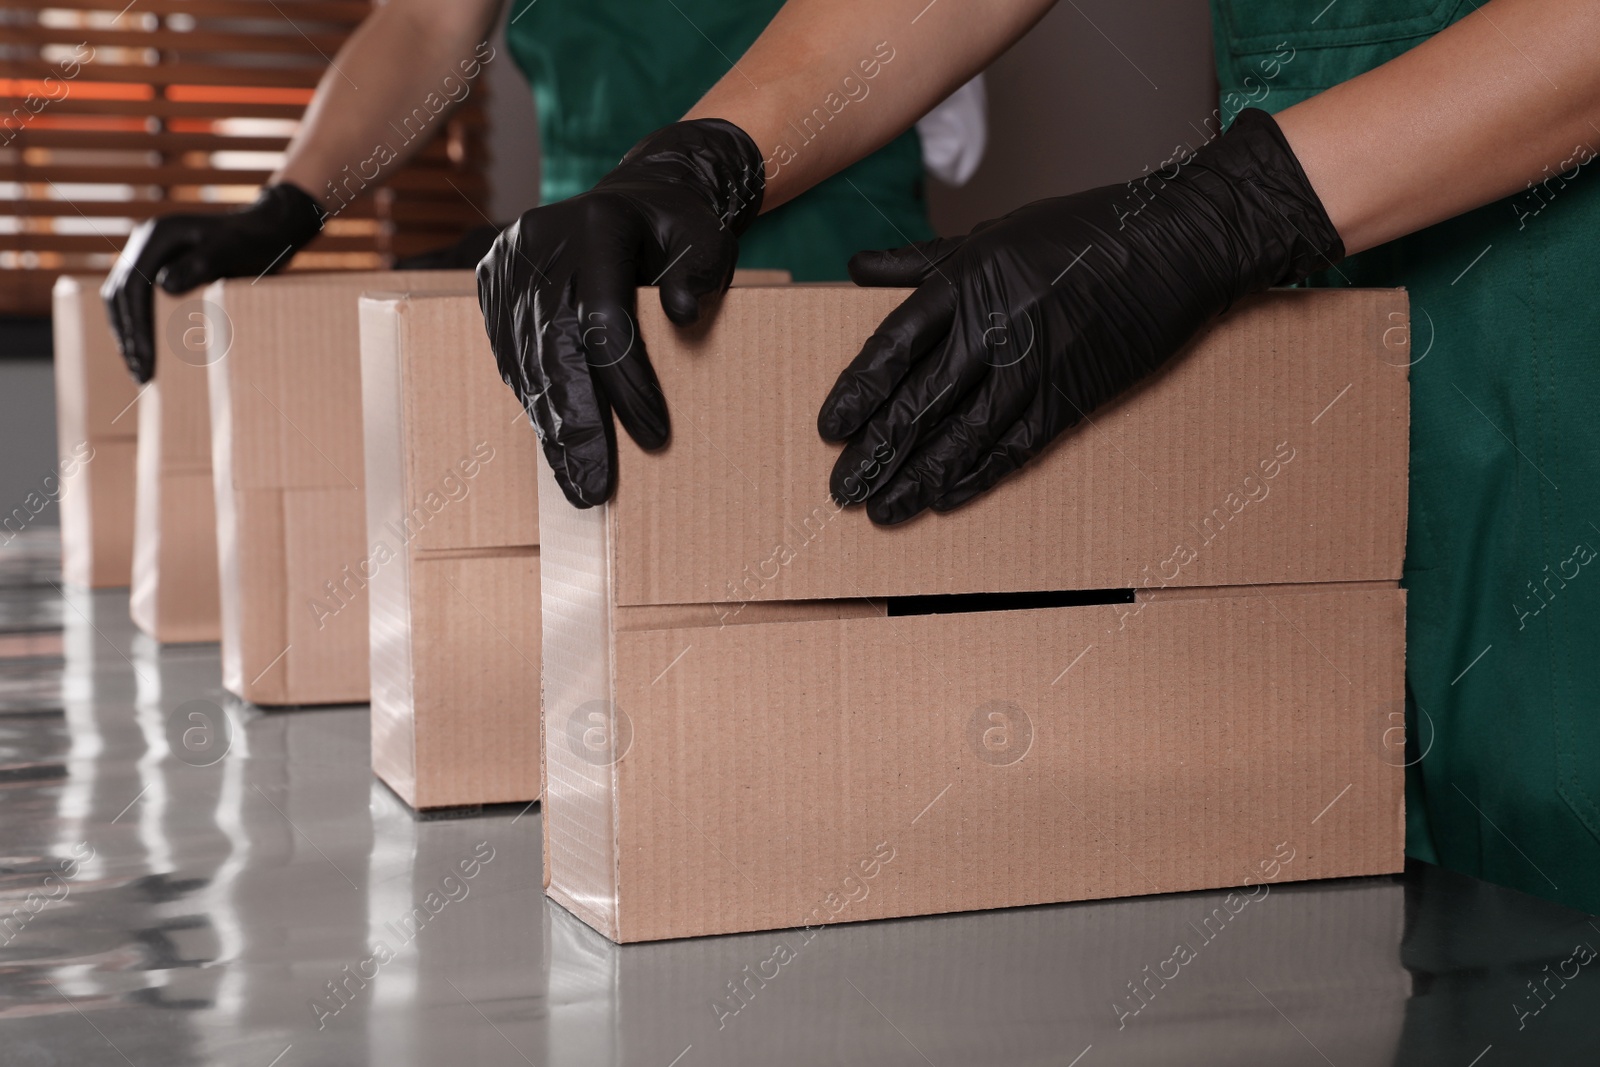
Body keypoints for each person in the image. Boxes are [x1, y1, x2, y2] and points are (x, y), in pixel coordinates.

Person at [478, 0, 1600, 915]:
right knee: (1352, 882)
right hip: (1316, 334)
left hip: (1560, 325)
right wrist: (703, 155)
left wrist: (1231, 208)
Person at [99, 0, 978, 381]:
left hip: (815, 241)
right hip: (580, 260)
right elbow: (427, 22)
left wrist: (696, 170)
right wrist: (287, 204)